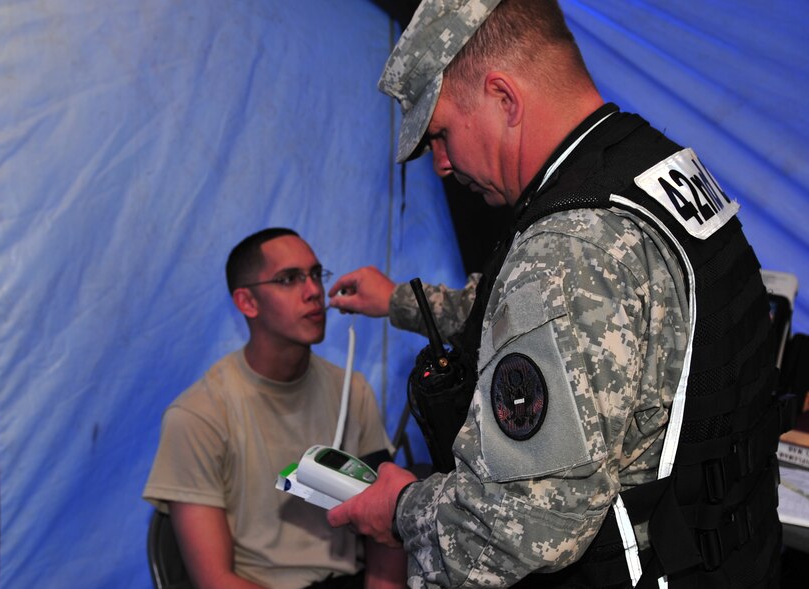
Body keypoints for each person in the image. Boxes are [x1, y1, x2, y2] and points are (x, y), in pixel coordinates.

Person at [327, 1, 783, 587]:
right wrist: (400, 301)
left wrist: (398, 508)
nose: (440, 164)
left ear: (504, 98)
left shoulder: (567, 250)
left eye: (441, 134)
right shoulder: (652, 165)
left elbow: (518, 528)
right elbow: (580, 320)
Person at [143, 228, 407, 589]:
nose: (314, 290)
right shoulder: (196, 416)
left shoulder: (351, 389)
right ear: (247, 303)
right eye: (289, 279)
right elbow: (215, 581)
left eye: (315, 274)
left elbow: (386, 532)